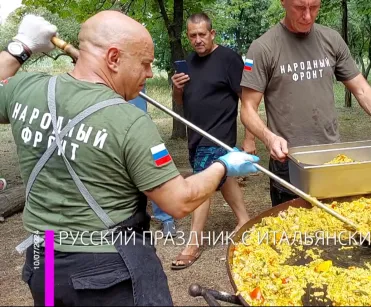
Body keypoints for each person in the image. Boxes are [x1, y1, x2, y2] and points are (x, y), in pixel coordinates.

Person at [0, 11, 259, 306]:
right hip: (107, 273)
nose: (149, 74)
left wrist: (21, 45)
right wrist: (223, 165)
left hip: (43, 267)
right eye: (145, 64)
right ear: (113, 58)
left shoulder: (26, 90)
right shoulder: (129, 122)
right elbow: (178, 202)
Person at [240, 0, 371, 207]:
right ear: (283, 2)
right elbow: (248, 108)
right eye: (300, 8)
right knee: (292, 232)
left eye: (314, 7)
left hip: (332, 159)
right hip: (289, 161)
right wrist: (269, 138)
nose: (308, 16)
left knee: (333, 230)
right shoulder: (263, 47)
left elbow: (361, 89)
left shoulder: (331, 39)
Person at [169, 12, 256, 270]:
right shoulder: (188, 64)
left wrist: (250, 137)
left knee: (201, 183)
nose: (197, 40)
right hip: (196, 136)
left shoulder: (228, 59)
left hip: (219, 135)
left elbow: (247, 100)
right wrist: (177, 87)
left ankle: (192, 244)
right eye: (192, 35)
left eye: (202, 34)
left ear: (212, 33)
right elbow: (182, 102)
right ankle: (244, 220)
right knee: (224, 175)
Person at [128, 86, 177, 236]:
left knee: (155, 171)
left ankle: (167, 218)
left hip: (139, 128)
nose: (148, 73)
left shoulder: (132, 74)